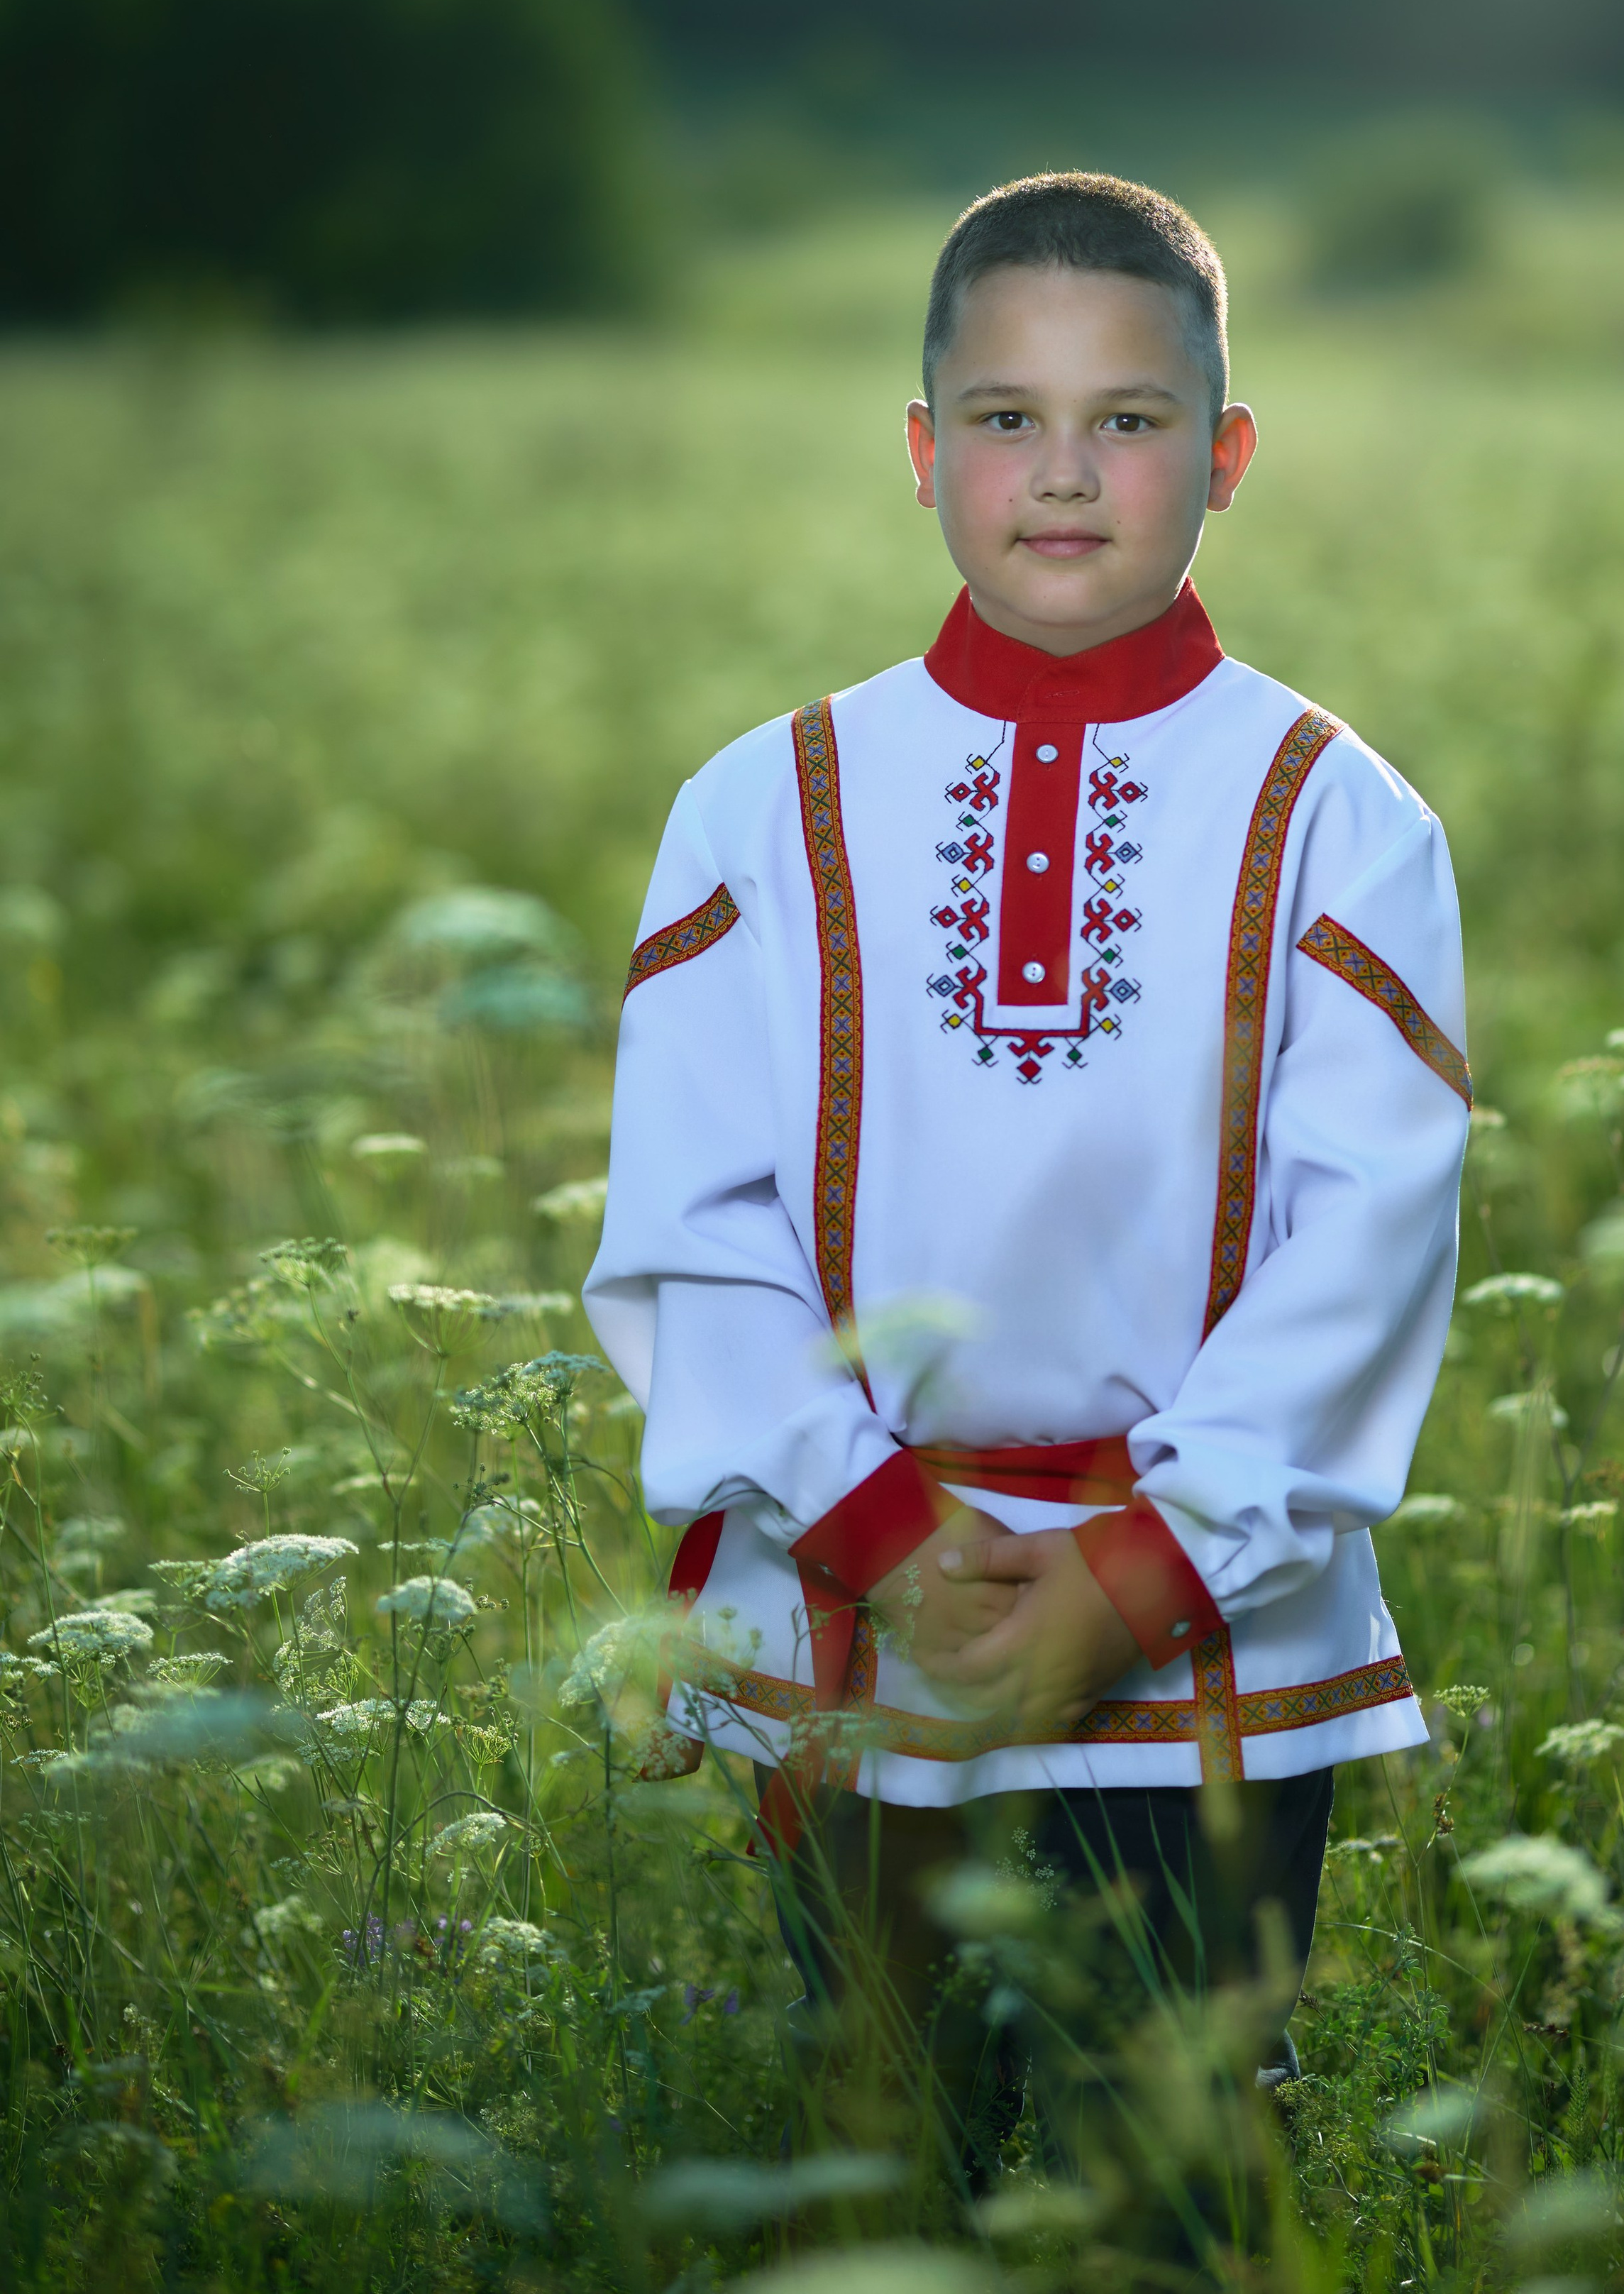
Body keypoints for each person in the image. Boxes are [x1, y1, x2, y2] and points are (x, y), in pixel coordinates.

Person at [584, 172, 1470, 2193]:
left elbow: (1370, 1252)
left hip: (1206, 1623)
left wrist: (1141, 1575)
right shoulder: (764, 803)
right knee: (889, 2161)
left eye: (1130, 421)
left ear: (1226, 456)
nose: (1063, 476)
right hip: (863, 1598)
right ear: (920, 454)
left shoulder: (1340, 816)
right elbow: (694, 1233)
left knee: (1168, 2173)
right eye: (1005, 418)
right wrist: (876, 1521)